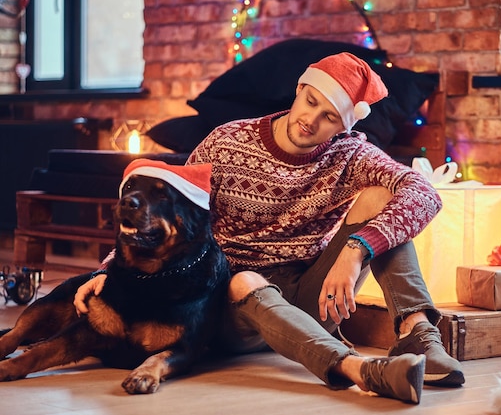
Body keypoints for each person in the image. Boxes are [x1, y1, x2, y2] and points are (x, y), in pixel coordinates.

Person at [75, 52, 463, 403]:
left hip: (312, 294)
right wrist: (108, 268)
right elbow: (170, 213)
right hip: (227, 302)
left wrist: (356, 248)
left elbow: (424, 192)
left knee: (382, 196)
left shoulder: (351, 154)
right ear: (299, 89)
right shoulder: (226, 143)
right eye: (310, 102)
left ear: (343, 127)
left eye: (329, 116)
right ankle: (359, 370)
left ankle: (418, 334)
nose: (311, 120)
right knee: (244, 280)